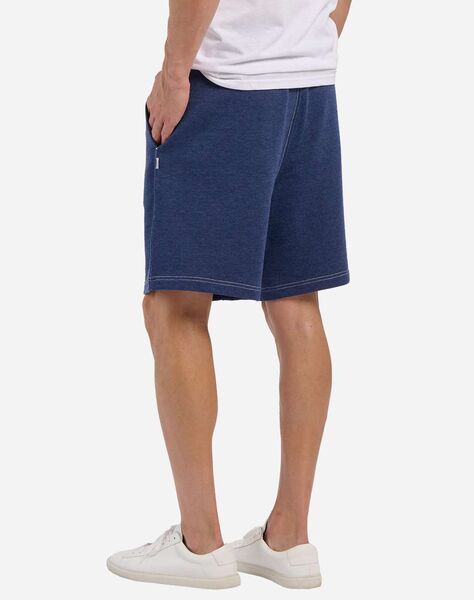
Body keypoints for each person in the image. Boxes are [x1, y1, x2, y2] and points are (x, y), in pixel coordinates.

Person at [107, 0, 352, 589]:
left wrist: (174, 75)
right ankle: (289, 539)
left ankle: (201, 544)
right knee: (295, 302)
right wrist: (303, 42)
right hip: (309, 87)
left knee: (174, 306)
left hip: (226, 85)